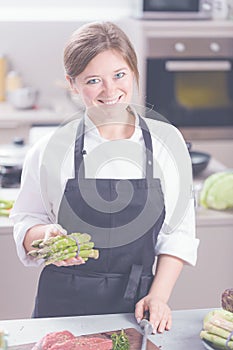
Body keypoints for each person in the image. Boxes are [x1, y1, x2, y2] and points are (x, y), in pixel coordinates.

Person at [11, 21, 199, 333]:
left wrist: (159, 296)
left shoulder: (167, 142)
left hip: (138, 304)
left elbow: (178, 233)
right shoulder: (49, 149)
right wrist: (43, 238)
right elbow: (26, 219)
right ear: (72, 84)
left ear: (134, 72)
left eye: (119, 75)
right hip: (61, 306)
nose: (110, 90)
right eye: (94, 80)